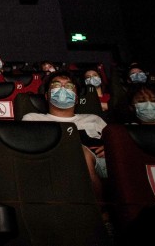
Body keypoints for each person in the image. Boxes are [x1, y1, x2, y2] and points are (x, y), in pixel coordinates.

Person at [21, 70, 107, 199]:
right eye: (56, 85)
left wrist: (110, 149)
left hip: (98, 166)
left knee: (83, 153)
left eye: (69, 86)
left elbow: (117, 144)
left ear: (77, 98)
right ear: (46, 96)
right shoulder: (32, 118)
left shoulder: (94, 119)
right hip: (51, 166)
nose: (62, 88)